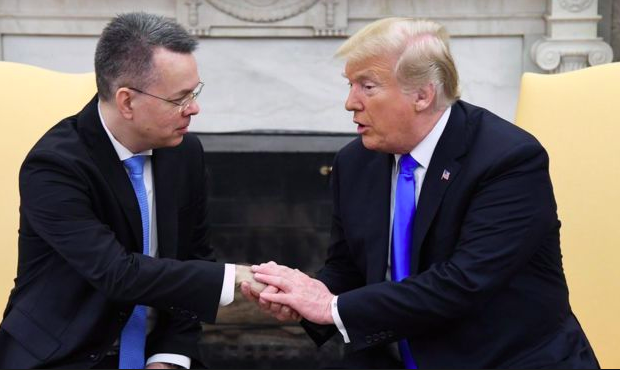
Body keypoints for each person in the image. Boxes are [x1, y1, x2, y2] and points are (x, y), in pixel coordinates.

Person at [244, 18, 600, 368]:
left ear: (422, 95)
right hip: (387, 357)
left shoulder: (507, 159)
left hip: (504, 358)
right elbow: (348, 269)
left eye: (367, 86)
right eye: (350, 85)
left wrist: (330, 307)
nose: (350, 103)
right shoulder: (356, 161)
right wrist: (301, 298)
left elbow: (463, 283)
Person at [0, 12, 263, 369]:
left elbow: (191, 262)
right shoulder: (54, 166)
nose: (194, 108)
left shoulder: (184, 153)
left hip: (154, 352)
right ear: (127, 101)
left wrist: (168, 358)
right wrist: (235, 277)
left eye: (195, 92)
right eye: (180, 98)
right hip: (60, 355)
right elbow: (116, 273)